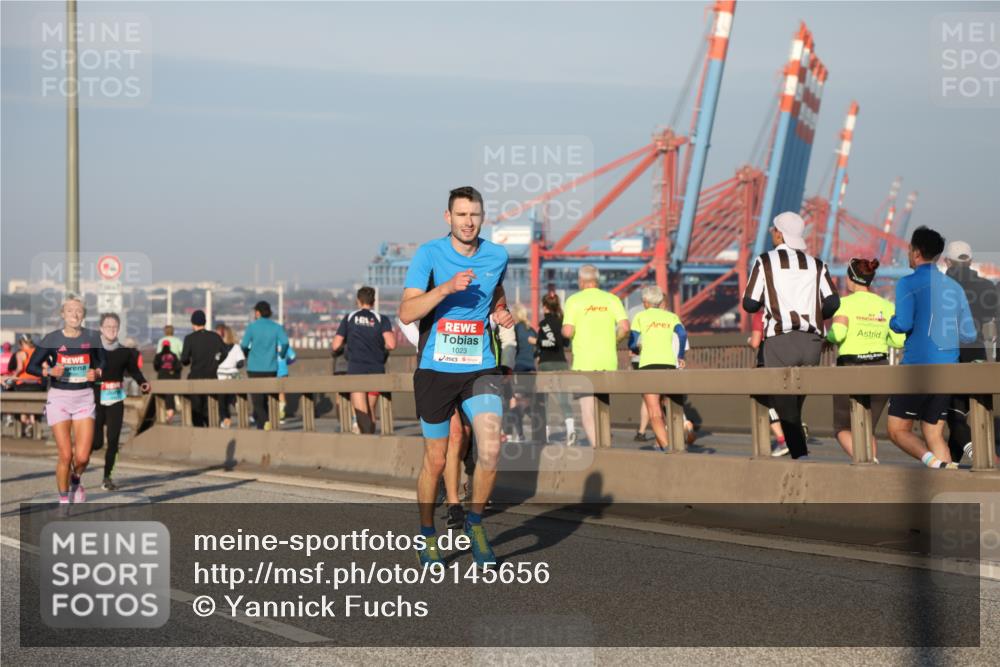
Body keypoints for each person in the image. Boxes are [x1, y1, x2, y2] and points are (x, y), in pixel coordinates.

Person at [399, 185, 513, 568]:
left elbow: (494, 290)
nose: (468, 221)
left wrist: (501, 310)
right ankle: (427, 533)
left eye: (474, 215)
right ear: (448, 217)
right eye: (461, 214)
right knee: (435, 458)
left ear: (482, 218)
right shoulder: (429, 254)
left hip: (479, 365)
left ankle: (476, 524)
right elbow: (406, 312)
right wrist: (446, 288)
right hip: (435, 367)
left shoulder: (497, 254)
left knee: (491, 448)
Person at [742, 211, 840, 460]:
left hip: (780, 340)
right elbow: (832, 302)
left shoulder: (765, 261)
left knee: (785, 407)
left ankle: (802, 460)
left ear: (779, 233)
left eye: (773, 230)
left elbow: (750, 303)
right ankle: (799, 455)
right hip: (811, 344)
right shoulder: (817, 264)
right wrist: (814, 313)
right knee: (795, 404)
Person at [888, 227, 977, 468]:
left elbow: (903, 323)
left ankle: (933, 463)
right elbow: (970, 335)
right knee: (933, 432)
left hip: (917, 369)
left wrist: (892, 323)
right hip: (948, 370)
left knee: (897, 430)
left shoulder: (907, 283)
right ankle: (949, 483)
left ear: (916, 252)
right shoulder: (955, 288)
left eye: (909, 250)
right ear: (938, 255)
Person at [27, 296, 106, 509]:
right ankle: (63, 500)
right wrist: (48, 371)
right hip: (59, 397)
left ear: (84, 315)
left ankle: (76, 481)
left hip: (84, 398)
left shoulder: (93, 337)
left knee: (81, 457)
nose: (75, 314)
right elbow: (31, 367)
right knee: (66, 454)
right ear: (62, 314)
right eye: (70, 311)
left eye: (79, 311)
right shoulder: (51, 339)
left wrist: (97, 373)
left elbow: (103, 364)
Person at [826, 259, 905, 462]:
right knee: (867, 428)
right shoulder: (887, 306)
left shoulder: (843, 303)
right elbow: (897, 341)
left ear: (851, 278)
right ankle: (871, 469)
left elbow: (839, 334)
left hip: (851, 370)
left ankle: (869, 462)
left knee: (842, 427)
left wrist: (828, 337)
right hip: (880, 369)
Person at [401, 318, 472, 530]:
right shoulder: (433, 287)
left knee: (464, 435)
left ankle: (444, 479)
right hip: (436, 371)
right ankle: (454, 504)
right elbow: (404, 317)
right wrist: (425, 342)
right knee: (455, 434)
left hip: (468, 367)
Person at [942, 240, 1000, 463]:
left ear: (947, 261)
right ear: (971, 261)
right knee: (979, 410)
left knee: (954, 414)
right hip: (977, 354)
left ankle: (982, 457)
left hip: (949, 354)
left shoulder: (943, 285)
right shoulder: (987, 287)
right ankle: (954, 463)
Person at [562, 265, 629, 447]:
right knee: (603, 407)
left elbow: (567, 332)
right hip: (608, 360)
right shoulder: (612, 299)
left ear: (581, 281)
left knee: (587, 410)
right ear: (597, 280)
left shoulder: (574, 301)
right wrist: (615, 341)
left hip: (584, 361)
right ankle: (606, 442)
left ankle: (598, 449)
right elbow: (625, 327)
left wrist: (566, 330)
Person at [94, 313, 150, 490]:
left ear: (118, 329)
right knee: (96, 443)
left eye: (115, 327)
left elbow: (135, 371)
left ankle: (107, 477)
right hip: (95, 399)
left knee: (113, 440)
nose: (111, 329)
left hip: (116, 399)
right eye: (108, 326)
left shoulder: (125, 352)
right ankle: (77, 468)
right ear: (101, 329)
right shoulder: (93, 351)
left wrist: (143, 383)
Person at [629, 285, 688, 451]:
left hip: (648, 365)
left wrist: (634, 349)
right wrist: (680, 356)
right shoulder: (671, 316)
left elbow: (633, 341)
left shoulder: (640, 316)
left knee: (654, 411)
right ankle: (673, 443)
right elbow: (682, 334)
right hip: (669, 364)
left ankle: (669, 448)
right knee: (669, 406)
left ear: (646, 302)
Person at [333, 286, 395, 434]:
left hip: (356, 370)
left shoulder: (350, 318)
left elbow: (336, 345)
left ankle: (368, 445)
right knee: (371, 411)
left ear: (358, 301)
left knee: (361, 412)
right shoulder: (382, 319)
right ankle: (372, 443)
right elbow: (391, 344)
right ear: (373, 301)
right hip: (377, 369)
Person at [241, 301, 289, 430]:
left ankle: (265, 422)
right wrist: (282, 355)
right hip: (271, 368)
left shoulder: (252, 327)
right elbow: (285, 343)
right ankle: (263, 426)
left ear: (257, 313)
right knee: (268, 399)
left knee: (257, 401)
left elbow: (244, 345)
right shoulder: (276, 327)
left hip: (254, 368)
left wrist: (246, 354)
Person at [536, 293, 575, 445]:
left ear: (544, 306)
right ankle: (570, 429)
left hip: (546, 363)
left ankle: (545, 434)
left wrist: (538, 342)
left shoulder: (543, 324)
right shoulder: (562, 322)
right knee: (563, 398)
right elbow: (566, 343)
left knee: (544, 400)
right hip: (561, 363)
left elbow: (544, 343)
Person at [748, 310, 788, 456]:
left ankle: (782, 441)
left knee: (766, 402)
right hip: (786, 361)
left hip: (767, 362)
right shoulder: (783, 311)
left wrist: (749, 341)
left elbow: (755, 342)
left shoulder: (761, 315)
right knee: (784, 399)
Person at [181, 310, 226, 427]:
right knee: (210, 410)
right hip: (212, 377)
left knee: (196, 411)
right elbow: (225, 352)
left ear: (192, 323)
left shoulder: (189, 338)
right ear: (205, 322)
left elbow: (184, 360)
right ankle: (211, 434)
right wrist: (216, 362)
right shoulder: (215, 337)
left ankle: (199, 434)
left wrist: (187, 360)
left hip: (195, 378)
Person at [507, 305, 538, 442]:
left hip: (519, 369)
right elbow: (537, 349)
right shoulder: (531, 330)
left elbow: (511, 348)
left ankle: (519, 435)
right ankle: (542, 428)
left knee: (514, 402)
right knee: (527, 403)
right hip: (531, 370)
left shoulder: (516, 329)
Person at [4, 335, 45, 437]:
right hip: (36, 383)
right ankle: (32, 423)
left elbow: (19, 368)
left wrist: (12, 378)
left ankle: (26, 424)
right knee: (34, 407)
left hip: (22, 383)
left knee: (22, 407)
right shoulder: (38, 352)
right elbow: (45, 366)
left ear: (22, 343)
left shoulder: (21, 353)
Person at [216, 325, 245, 428]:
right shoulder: (236, 347)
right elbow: (241, 362)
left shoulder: (218, 347)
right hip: (234, 374)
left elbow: (215, 360)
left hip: (221, 375)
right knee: (235, 394)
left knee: (222, 400)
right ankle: (237, 404)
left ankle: (226, 419)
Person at [153, 340, 181, 421]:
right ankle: (170, 413)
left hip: (161, 377)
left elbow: (156, 366)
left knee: (161, 396)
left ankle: (162, 414)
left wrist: (161, 370)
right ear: (169, 346)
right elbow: (178, 367)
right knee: (170, 396)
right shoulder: (174, 355)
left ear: (162, 346)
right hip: (171, 378)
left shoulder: (158, 355)